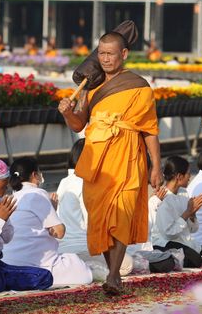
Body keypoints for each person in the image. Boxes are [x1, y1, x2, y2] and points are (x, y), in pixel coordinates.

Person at [59, 26, 161, 294]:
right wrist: (68, 113)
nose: (105, 59)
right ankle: (113, 273)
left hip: (128, 156)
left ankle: (114, 275)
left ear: (124, 54)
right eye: (101, 53)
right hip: (97, 159)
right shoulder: (90, 86)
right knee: (101, 217)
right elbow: (79, 123)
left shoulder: (139, 86)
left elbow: (149, 130)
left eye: (111, 54)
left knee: (122, 214)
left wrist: (156, 167)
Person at [0, 158, 53, 294]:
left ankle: (0, 281)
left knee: (44, 277)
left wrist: (4, 219)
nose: (7, 186)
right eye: (4, 182)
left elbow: (7, 238)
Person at [2, 158, 92, 287]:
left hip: (9, 264)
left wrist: (52, 210)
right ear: (34, 175)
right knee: (83, 271)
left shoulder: (12, 198)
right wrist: (54, 212)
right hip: (37, 263)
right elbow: (59, 232)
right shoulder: (38, 193)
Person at [55, 139, 89, 256]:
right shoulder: (85, 182)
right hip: (83, 247)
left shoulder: (64, 181)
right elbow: (91, 223)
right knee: (126, 262)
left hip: (61, 248)